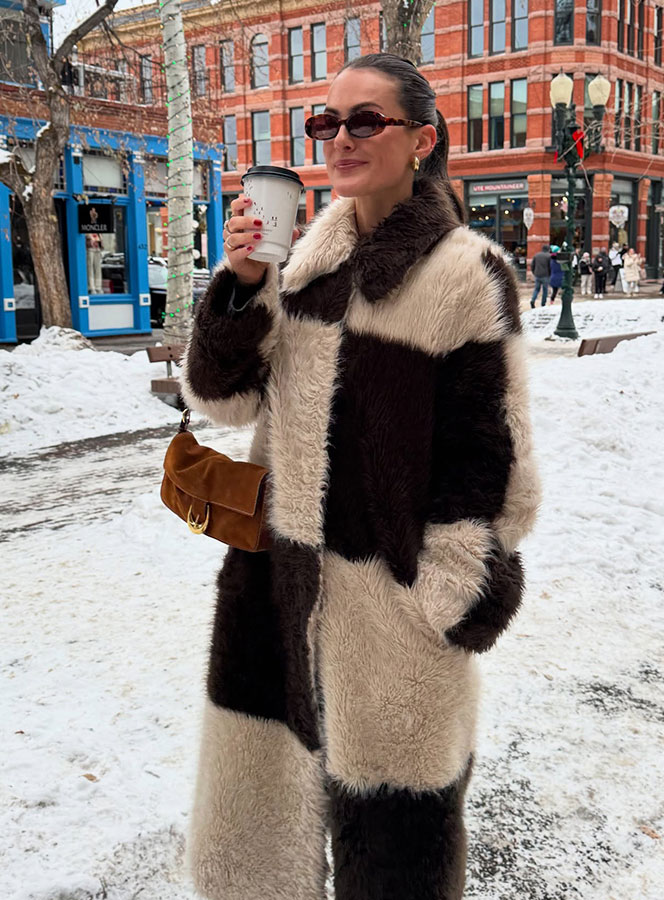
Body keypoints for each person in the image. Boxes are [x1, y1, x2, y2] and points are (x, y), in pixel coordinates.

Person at [180, 53, 541, 900]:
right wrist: (241, 284)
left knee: (393, 864)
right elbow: (225, 398)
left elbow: (492, 471)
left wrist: (443, 605)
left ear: (422, 138)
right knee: (265, 849)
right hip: (275, 601)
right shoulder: (304, 263)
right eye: (324, 123)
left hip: (391, 628)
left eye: (364, 121)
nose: (338, 139)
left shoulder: (465, 273)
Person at [530, 242, 551, 308]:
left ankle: (533, 300)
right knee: (545, 290)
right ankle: (543, 304)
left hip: (537, 275)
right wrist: (550, 274)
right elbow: (550, 266)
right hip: (545, 275)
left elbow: (532, 265)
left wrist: (534, 272)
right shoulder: (549, 256)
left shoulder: (536, 255)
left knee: (536, 289)